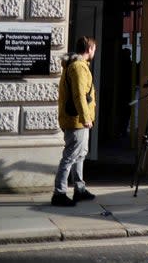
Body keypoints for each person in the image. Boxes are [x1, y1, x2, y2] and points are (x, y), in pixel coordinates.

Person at [52, 36, 98, 206]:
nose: (94, 51)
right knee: (70, 156)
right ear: (89, 49)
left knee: (80, 154)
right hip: (76, 120)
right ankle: (59, 193)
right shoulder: (79, 67)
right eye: (94, 49)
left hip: (78, 119)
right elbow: (79, 95)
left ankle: (79, 189)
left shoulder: (78, 65)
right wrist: (86, 118)